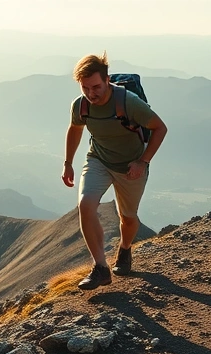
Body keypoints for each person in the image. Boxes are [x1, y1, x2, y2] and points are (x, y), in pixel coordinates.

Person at [62, 52, 168, 290]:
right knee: (85, 205)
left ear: (107, 80)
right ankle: (100, 268)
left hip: (130, 166)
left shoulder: (128, 102)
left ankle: (125, 249)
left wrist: (142, 162)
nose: (91, 94)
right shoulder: (80, 105)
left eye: (96, 87)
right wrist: (68, 163)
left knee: (127, 219)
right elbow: (75, 129)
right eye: (85, 88)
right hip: (98, 159)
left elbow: (160, 128)